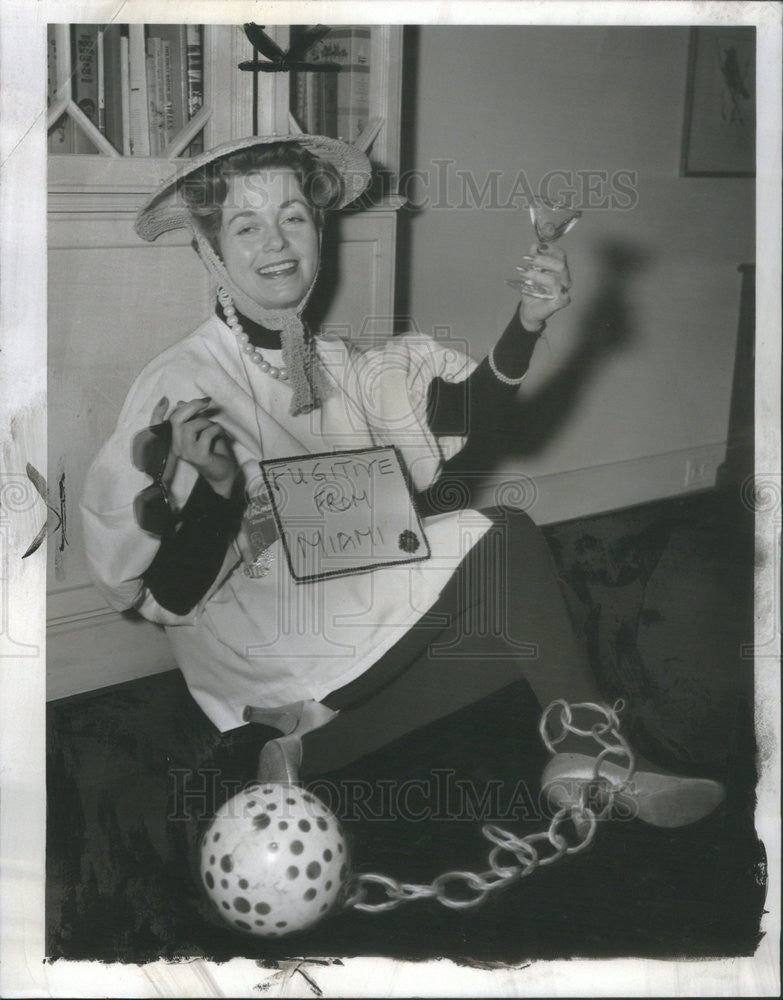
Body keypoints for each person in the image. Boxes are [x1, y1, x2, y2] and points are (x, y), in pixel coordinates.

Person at [81, 134, 724, 828]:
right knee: (504, 539)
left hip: (342, 593)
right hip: (259, 629)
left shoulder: (333, 360)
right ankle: (587, 749)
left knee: (532, 630)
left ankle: (306, 753)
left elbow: (463, 408)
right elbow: (165, 594)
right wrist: (217, 490)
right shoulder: (181, 383)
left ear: (319, 230)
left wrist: (526, 324)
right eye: (246, 225)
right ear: (209, 251)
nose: (277, 242)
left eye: (293, 216)